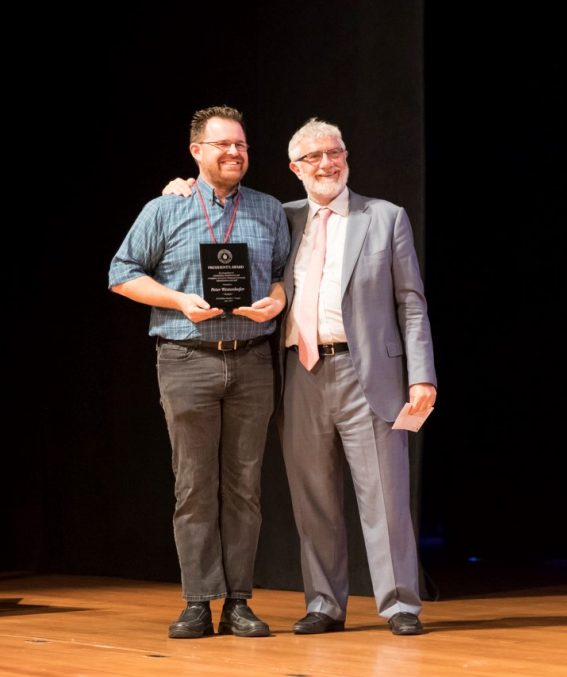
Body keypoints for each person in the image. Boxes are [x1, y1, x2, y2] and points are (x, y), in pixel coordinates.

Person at [162, 117, 437, 636]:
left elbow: (412, 304)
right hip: (301, 370)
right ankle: (325, 604)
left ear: (346, 155)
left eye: (335, 153)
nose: (327, 164)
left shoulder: (384, 218)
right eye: (314, 158)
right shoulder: (279, 217)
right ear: (295, 168)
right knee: (313, 499)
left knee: (385, 495)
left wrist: (422, 375)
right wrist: (180, 186)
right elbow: (216, 205)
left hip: (367, 371)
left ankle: (400, 604)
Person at [108, 105, 290, 639]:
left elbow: (282, 276)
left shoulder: (268, 209)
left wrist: (276, 303)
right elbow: (121, 273)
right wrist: (177, 301)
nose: (234, 153)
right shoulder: (165, 209)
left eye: (242, 145)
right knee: (193, 487)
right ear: (196, 152)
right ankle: (196, 601)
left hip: (252, 360)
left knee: (245, 488)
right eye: (222, 145)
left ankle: (238, 602)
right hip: (186, 359)